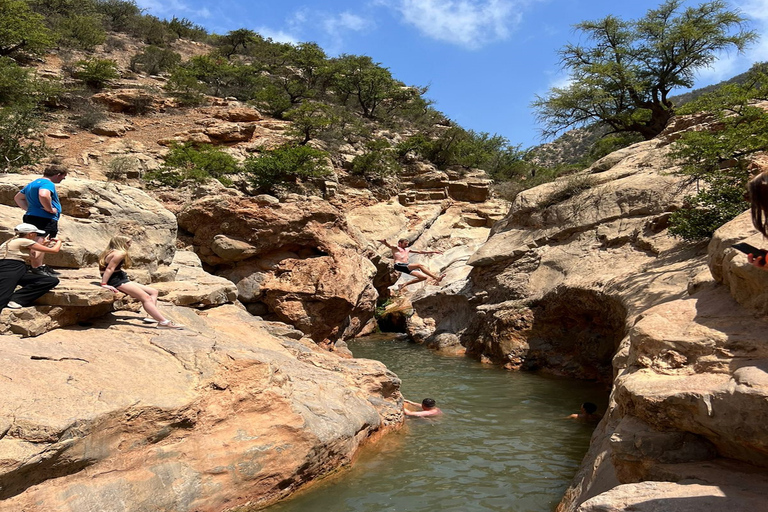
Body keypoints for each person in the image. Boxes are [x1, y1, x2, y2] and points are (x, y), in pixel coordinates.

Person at [99, 235, 183, 329]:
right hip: (116, 280)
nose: (130, 244)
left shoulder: (111, 251)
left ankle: (153, 316)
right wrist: (104, 284)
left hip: (120, 277)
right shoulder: (120, 253)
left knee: (153, 292)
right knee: (146, 298)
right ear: (121, 243)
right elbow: (110, 268)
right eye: (128, 242)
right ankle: (163, 322)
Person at [14, 164, 68, 277]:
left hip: (31, 216)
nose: (63, 179)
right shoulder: (48, 183)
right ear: (58, 174)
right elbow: (43, 195)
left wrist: (29, 209)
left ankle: (39, 266)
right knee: (38, 242)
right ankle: (37, 268)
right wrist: (50, 209)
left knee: (37, 242)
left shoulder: (33, 183)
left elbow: (18, 198)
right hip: (44, 218)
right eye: (63, 176)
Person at [0, 223, 62, 311]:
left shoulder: (13, 241)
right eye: (36, 234)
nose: (36, 236)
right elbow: (54, 251)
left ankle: (16, 299)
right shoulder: (25, 241)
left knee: (48, 281)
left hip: (17, 268)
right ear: (30, 234)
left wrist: (44, 245)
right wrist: (59, 242)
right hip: (11, 267)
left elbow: (34, 257)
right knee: (2, 296)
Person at [378, 238, 444, 291]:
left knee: (423, 277)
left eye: (407, 244)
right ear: (399, 243)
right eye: (405, 244)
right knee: (419, 265)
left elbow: (420, 251)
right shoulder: (396, 248)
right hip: (398, 265)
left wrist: (433, 251)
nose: (406, 245)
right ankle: (436, 278)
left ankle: (403, 284)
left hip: (406, 266)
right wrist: (385, 242)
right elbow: (389, 245)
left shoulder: (407, 249)